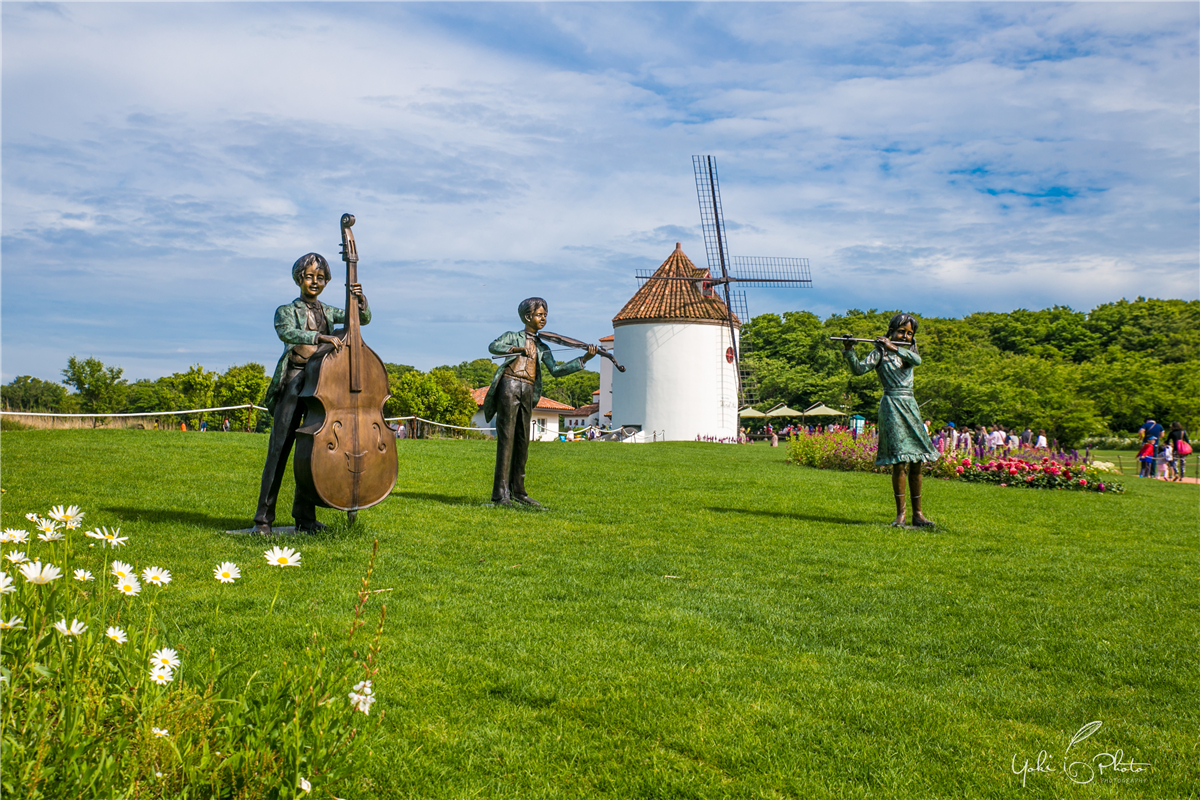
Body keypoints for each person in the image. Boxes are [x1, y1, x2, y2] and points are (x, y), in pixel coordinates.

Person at [253, 252, 370, 534]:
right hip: (295, 381)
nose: (314, 282)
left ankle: (305, 517)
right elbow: (287, 333)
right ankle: (263, 520)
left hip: (322, 386)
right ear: (299, 279)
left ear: (327, 281)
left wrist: (360, 300)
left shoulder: (329, 311)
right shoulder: (286, 310)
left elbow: (361, 320)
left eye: (320, 277)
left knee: (312, 452)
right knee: (278, 451)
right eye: (309, 276)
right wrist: (320, 337)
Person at [483, 297, 595, 506]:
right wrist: (517, 350)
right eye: (539, 314)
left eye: (545, 315)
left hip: (528, 390)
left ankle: (519, 492)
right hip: (510, 386)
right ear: (527, 317)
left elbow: (557, 370)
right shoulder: (513, 337)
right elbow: (493, 347)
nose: (543, 318)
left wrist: (584, 360)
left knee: (523, 441)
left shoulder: (542, 346)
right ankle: (500, 495)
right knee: (506, 440)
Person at [841, 313, 938, 527]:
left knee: (917, 461)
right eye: (901, 332)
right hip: (891, 406)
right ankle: (901, 515)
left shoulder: (908, 353)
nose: (904, 336)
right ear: (891, 332)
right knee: (899, 462)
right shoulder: (880, 354)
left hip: (910, 405)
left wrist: (894, 347)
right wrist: (849, 350)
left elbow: (917, 360)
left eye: (909, 333)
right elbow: (858, 370)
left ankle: (918, 514)